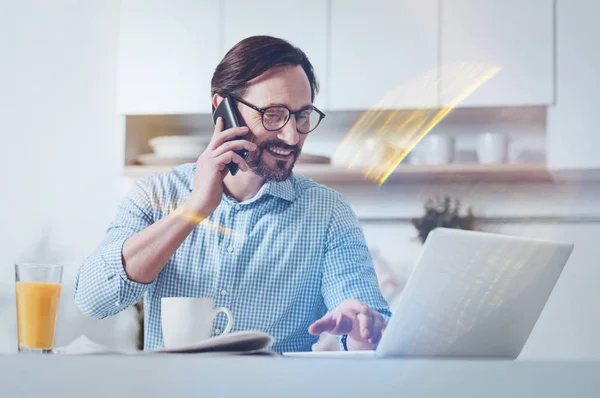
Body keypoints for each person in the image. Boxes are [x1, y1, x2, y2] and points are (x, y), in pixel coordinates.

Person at [74, 35, 391, 353]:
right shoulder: (155, 193)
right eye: (273, 114)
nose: (292, 135)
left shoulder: (329, 212)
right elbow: (92, 299)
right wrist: (194, 208)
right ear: (223, 108)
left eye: (302, 116)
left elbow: (363, 323)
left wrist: (361, 329)